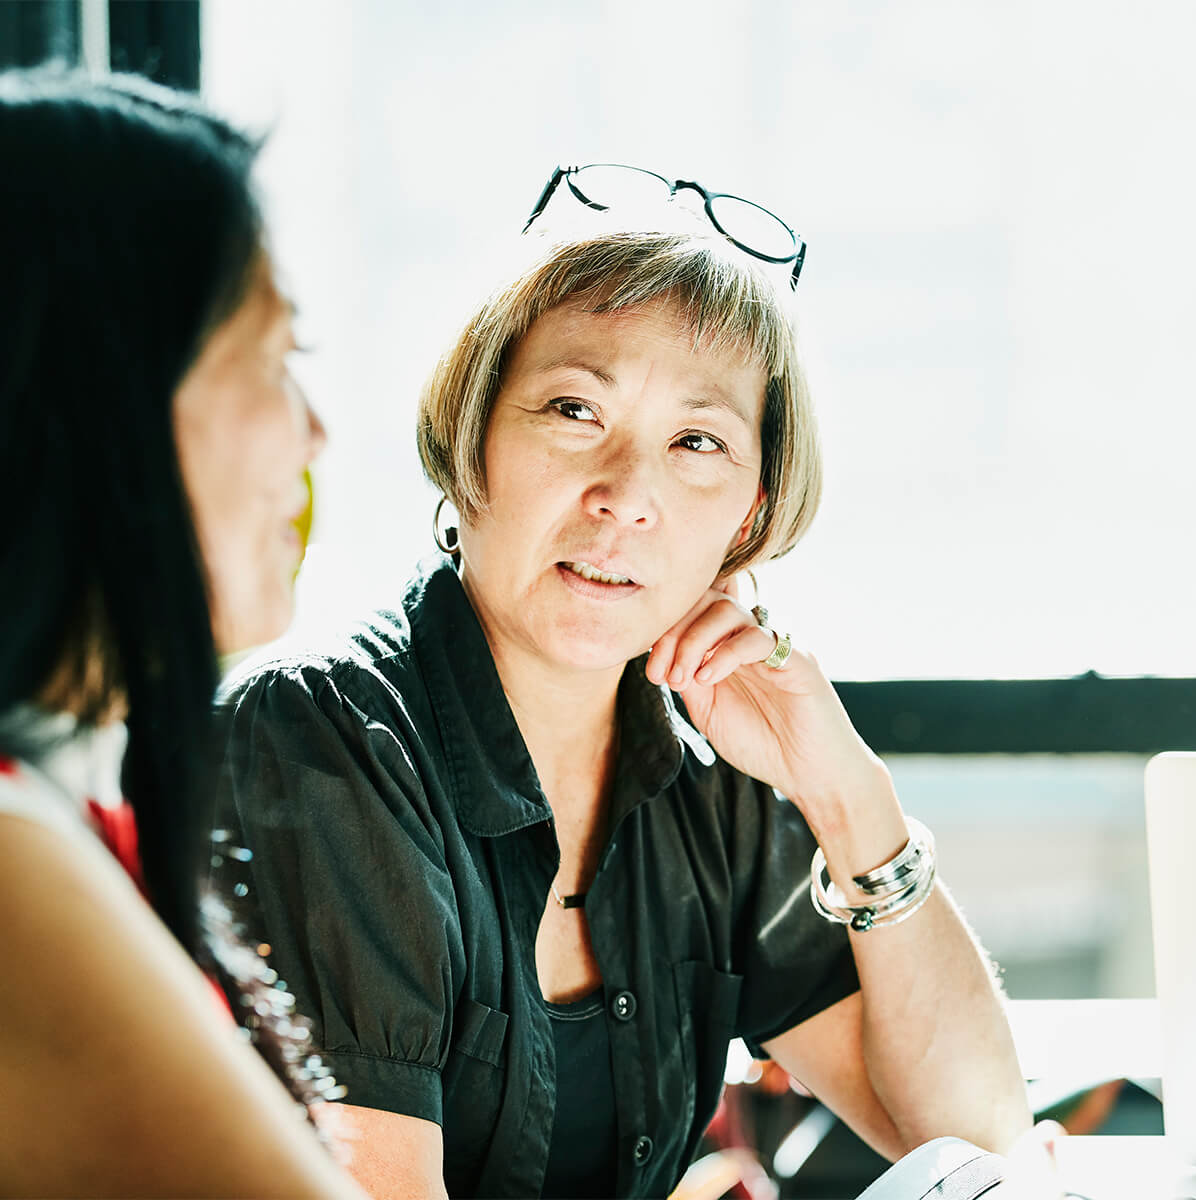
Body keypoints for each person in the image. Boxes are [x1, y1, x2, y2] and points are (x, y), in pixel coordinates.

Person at [214, 166, 1033, 1198]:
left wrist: (847, 792)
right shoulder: (322, 734)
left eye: (697, 441)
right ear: (473, 439)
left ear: (747, 516)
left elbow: (974, 1141)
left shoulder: (705, 766)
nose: (625, 498)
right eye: (572, 410)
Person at [0, 70, 362, 1197]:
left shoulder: (65, 805)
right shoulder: (14, 861)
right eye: (274, 354)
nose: (317, 432)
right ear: (105, 396)